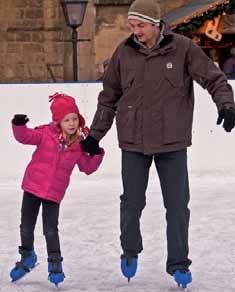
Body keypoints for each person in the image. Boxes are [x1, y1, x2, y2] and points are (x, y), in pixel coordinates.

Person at [80, 0, 235, 289]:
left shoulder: (183, 48)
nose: (135, 31)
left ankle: (178, 263)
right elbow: (108, 97)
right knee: (132, 202)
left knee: (177, 206)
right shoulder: (124, 53)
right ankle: (130, 250)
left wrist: (226, 104)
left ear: (155, 24)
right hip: (133, 141)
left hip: (171, 141)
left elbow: (214, 79)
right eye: (132, 25)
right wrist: (94, 136)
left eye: (140, 25)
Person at [10, 93, 104, 286]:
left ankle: (55, 264)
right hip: (32, 187)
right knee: (26, 226)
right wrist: (18, 125)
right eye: (66, 120)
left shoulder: (80, 144)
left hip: (54, 193)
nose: (71, 123)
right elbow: (26, 137)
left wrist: (95, 152)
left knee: (50, 230)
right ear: (58, 121)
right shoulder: (46, 134)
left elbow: (87, 168)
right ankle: (27, 256)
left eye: (74, 118)